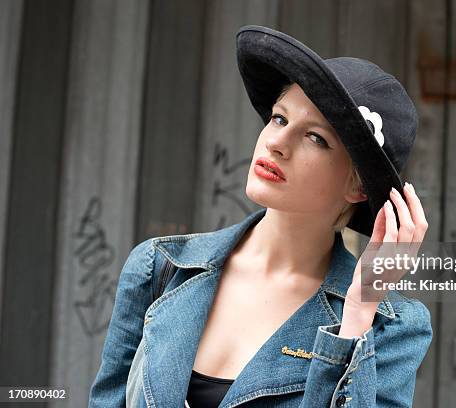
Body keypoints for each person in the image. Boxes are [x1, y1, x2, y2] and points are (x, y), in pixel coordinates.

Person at [89, 25, 432, 408]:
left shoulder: (391, 326)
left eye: (315, 138)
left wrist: (357, 313)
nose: (276, 142)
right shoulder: (160, 269)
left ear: (357, 187)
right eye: (280, 118)